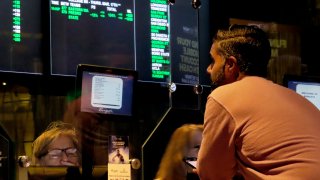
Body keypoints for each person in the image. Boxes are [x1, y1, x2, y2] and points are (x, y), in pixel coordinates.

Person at [197, 24, 320, 179]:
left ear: (230, 65)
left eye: (213, 61)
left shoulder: (222, 96)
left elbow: (212, 174)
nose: (209, 69)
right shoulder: (299, 99)